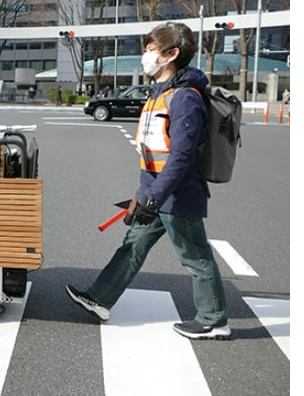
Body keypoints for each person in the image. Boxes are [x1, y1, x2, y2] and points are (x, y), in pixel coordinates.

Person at [65, 21, 230, 340]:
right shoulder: (160, 94)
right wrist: (142, 195)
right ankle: (99, 298)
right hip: (156, 194)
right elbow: (152, 151)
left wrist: (152, 198)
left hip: (179, 197)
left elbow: (181, 157)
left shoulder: (185, 98)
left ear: (172, 54)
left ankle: (214, 320)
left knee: (195, 257)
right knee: (131, 247)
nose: (145, 55)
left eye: (151, 50)